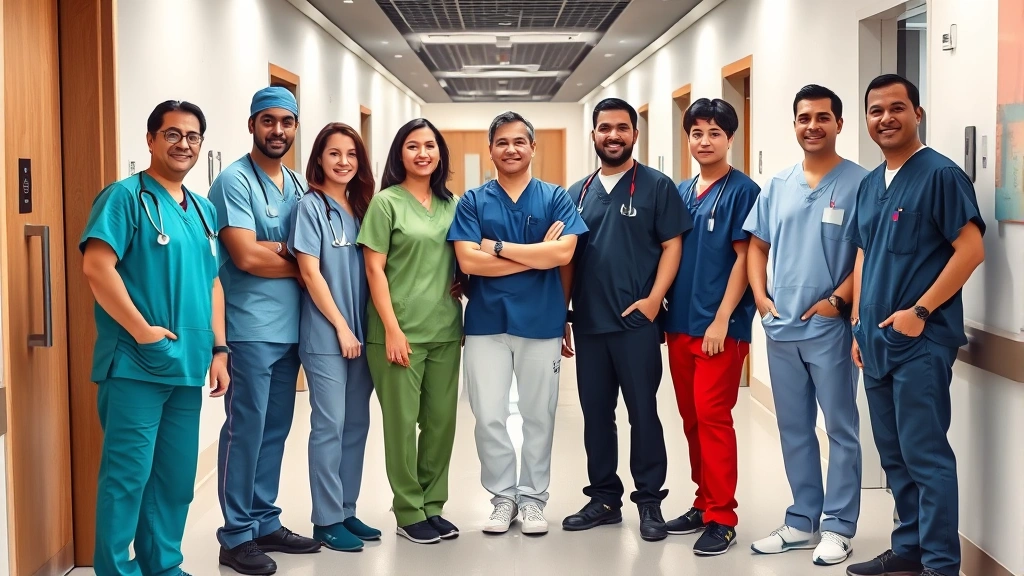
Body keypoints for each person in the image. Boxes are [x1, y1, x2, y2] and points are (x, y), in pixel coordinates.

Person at [81, 100, 228, 576]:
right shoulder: (124, 198)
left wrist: (220, 350)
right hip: (135, 364)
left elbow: (213, 283)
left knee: (174, 480)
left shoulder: (203, 210)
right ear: (150, 140)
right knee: (127, 480)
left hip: (187, 364)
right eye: (172, 134)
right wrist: (142, 332)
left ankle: (163, 566)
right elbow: (96, 267)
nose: (183, 144)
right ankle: (116, 571)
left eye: (192, 136)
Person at [845, 75, 985, 576]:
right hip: (877, 341)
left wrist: (921, 311)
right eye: (876, 110)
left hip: (921, 342)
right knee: (894, 458)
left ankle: (942, 565)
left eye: (897, 108)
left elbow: (971, 249)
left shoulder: (940, 175)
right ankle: (909, 550)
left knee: (926, 457)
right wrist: (859, 323)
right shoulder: (869, 183)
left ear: (917, 114)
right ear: (866, 119)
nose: (886, 118)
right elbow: (863, 252)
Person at [447, 111, 588, 536]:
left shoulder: (556, 197)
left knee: (538, 414)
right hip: (486, 323)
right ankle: (502, 497)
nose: (511, 149)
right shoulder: (472, 200)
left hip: (541, 321)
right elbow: (468, 261)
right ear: (491, 149)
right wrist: (533, 257)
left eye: (519, 142)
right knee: (488, 413)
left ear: (532, 147)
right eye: (502, 142)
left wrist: (498, 248)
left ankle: (532, 498)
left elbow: (562, 256)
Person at [744, 85, 866, 566]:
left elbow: (868, 252)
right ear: (794, 125)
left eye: (821, 117)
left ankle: (838, 527)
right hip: (781, 328)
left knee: (840, 428)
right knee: (793, 427)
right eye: (803, 118)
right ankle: (801, 521)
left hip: (830, 328)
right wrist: (760, 296)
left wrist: (838, 301)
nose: (811, 125)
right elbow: (757, 245)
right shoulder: (778, 184)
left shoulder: (862, 183)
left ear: (839, 124)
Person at [560, 98, 689, 542]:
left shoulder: (657, 186)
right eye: (603, 128)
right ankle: (604, 498)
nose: (612, 135)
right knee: (596, 415)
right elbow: (568, 260)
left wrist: (655, 299)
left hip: (637, 324)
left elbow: (673, 244)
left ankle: (650, 501)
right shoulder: (576, 192)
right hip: (590, 324)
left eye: (621, 128)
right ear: (592, 135)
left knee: (644, 413)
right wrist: (563, 315)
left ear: (635, 134)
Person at [210, 86, 320, 575]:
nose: (278, 131)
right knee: (244, 429)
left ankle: (263, 520)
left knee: (275, 429)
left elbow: (301, 250)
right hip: (249, 328)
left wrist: (285, 254)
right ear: (252, 124)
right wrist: (301, 264)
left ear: (297, 127)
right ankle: (235, 537)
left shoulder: (296, 182)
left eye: (287, 122)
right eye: (268, 121)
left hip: (291, 327)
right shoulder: (234, 181)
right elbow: (246, 255)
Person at [357, 118, 464, 545]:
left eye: (430, 146)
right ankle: (407, 510)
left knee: (441, 423)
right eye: (413, 146)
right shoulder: (386, 203)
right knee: (401, 426)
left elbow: (462, 257)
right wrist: (392, 329)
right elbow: (373, 269)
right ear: (399, 153)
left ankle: (433, 505)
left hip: (444, 328)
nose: (423, 153)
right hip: (397, 332)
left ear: (440, 154)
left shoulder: (452, 203)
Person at [662, 97, 759, 556]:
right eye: (697, 133)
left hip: (720, 328)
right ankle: (703, 502)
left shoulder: (743, 190)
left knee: (714, 418)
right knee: (691, 420)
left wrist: (721, 320)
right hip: (679, 323)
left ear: (730, 138)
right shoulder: (682, 191)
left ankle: (722, 516)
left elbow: (745, 258)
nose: (704, 141)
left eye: (714, 133)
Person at [287, 123, 380, 552]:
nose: (343, 161)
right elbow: (309, 272)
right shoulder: (310, 207)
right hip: (327, 333)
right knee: (329, 425)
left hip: (362, 334)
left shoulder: (363, 208)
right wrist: (342, 326)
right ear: (319, 159)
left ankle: (346, 508)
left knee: (357, 425)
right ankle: (325, 519)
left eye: (351, 154)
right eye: (334, 154)